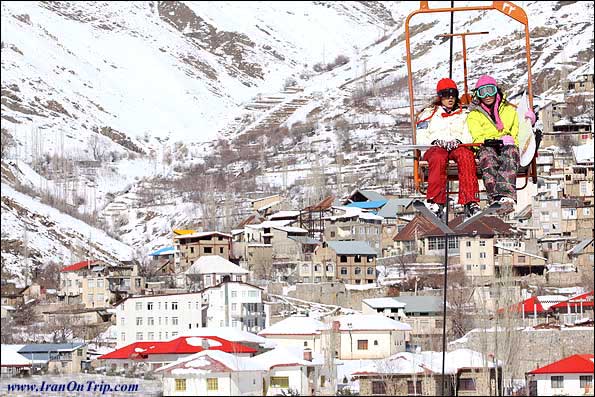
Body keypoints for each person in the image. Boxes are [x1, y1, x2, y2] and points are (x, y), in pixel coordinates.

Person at [467, 75, 536, 215]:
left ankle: (506, 195)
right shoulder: (474, 115)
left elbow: (517, 131)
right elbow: (476, 135)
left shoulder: (509, 111)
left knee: (510, 153)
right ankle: (494, 197)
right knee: (488, 157)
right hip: (487, 145)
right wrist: (492, 140)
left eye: (490, 90)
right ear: (477, 95)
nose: (487, 95)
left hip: (507, 144)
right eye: (482, 92)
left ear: (496, 91)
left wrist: (528, 121)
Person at [416, 78, 480, 220]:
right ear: (440, 97)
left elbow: (469, 133)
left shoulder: (464, 114)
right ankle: (435, 201)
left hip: (457, 146)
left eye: (453, 94)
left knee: (466, 156)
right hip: (436, 148)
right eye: (446, 95)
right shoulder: (428, 114)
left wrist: (459, 141)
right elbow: (420, 137)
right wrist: (435, 142)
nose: (450, 98)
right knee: (439, 157)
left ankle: (470, 202)